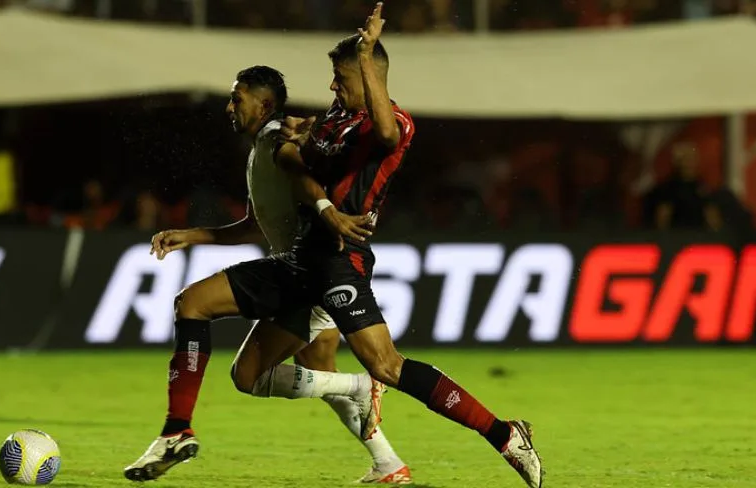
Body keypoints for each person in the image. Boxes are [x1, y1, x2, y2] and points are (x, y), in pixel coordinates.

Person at [133, 4, 542, 486]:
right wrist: (305, 149)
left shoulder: (394, 124)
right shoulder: (331, 123)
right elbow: (299, 175)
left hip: (339, 261)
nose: (333, 86)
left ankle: (503, 434)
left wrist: (365, 57)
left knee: (386, 365)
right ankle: (178, 430)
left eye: (340, 77)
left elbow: (379, 132)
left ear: (369, 76)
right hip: (300, 258)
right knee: (212, 329)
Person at [124, 66, 412, 484]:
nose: (229, 107)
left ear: (264, 104)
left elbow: (301, 170)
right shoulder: (263, 145)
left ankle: (176, 430)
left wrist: (327, 211)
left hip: (314, 273)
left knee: (194, 305)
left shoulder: (278, 142)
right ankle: (388, 462)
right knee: (313, 369)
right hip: (308, 273)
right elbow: (255, 224)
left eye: (236, 98)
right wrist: (192, 235)